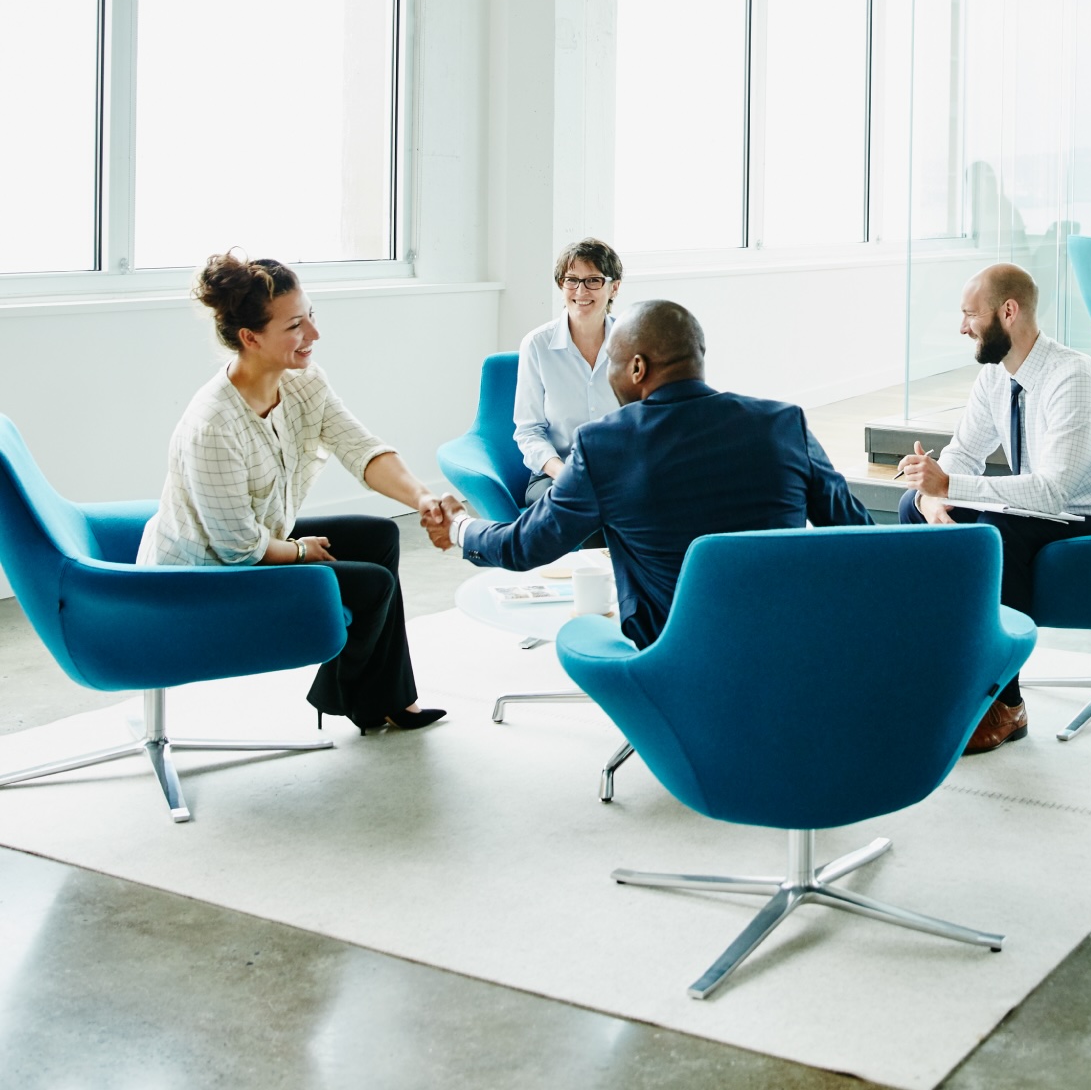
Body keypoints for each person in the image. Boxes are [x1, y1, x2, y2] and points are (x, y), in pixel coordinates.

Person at [426, 300, 874, 648]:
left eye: (613, 364)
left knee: (581, 634)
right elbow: (859, 534)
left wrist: (460, 527)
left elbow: (525, 545)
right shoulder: (782, 423)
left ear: (637, 367)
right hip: (788, 640)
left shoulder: (604, 444)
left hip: (673, 652)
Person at [139, 252, 446, 734]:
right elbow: (236, 548)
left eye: (312, 317)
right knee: (372, 585)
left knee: (380, 537)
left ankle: (383, 700)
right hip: (205, 575)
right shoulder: (214, 424)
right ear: (250, 337)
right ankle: (351, 698)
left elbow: (358, 446)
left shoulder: (303, 382)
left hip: (253, 543)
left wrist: (422, 498)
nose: (314, 336)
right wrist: (301, 551)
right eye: (296, 326)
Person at [898, 263, 1091, 753]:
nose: (962, 327)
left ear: (1008, 312)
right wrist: (932, 496)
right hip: (1049, 512)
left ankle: (1005, 703)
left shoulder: (1073, 378)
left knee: (998, 531)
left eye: (970, 315)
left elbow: (1053, 492)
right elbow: (963, 451)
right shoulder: (997, 377)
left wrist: (950, 483)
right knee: (916, 510)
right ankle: (953, 679)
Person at [514, 238, 623, 508]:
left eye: (593, 280)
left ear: (614, 288)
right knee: (585, 503)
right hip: (555, 476)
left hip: (620, 472)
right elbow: (529, 431)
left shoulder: (633, 341)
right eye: (571, 280)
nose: (580, 290)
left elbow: (647, 417)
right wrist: (565, 474)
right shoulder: (537, 344)